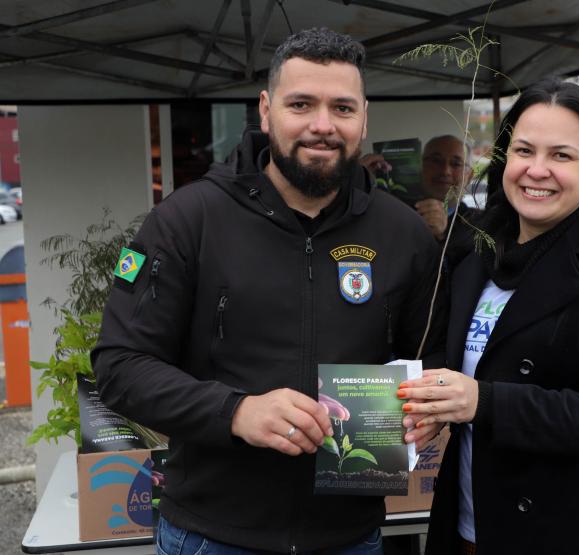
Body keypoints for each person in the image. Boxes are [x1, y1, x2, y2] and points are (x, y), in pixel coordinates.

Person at [92, 28, 444, 555]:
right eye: (301, 104)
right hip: (211, 536)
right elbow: (120, 366)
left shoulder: (404, 234)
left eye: (342, 108)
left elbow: (430, 358)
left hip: (350, 537)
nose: (322, 125)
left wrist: (429, 409)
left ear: (364, 118)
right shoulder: (188, 221)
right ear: (265, 110)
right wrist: (236, 412)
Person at [399, 78, 579, 554]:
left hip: (569, 532)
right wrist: (429, 408)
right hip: (468, 527)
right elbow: (453, 363)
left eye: (561, 155)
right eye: (524, 150)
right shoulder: (476, 248)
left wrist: (483, 402)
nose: (537, 170)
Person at [363, 136, 479, 264]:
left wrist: (441, 238)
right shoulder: (391, 213)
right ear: (420, 166)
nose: (445, 171)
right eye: (436, 161)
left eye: (456, 164)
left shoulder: (480, 225)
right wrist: (355, 181)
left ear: (469, 176)